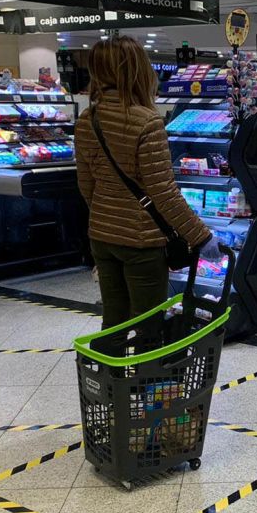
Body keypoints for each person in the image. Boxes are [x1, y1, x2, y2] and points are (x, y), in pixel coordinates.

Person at [75, 36, 211, 329]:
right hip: (141, 240)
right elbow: (164, 193)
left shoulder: (88, 118)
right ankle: (150, 376)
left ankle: (111, 374)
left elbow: (86, 185)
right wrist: (201, 236)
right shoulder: (147, 121)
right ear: (137, 69)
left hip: (101, 236)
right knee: (148, 321)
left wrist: (107, 215)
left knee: (114, 319)